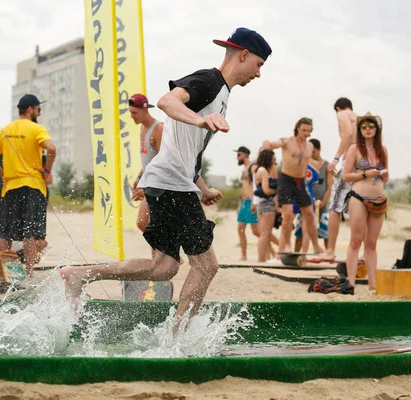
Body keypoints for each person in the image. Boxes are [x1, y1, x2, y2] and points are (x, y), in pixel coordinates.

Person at [61, 28, 272, 323]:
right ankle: (177, 339)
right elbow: (166, 101)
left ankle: (79, 275)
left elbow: (188, 151)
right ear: (245, 55)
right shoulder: (209, 81)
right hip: (171, 185)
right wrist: (200, 119)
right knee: (207, 266)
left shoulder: (222, 94)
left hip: (170, 182)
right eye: (259, 65)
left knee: (163, 268)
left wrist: (202, 187)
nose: (259, 73)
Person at [0, 94, 56, 293]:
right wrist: (47, 170)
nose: (39, 113)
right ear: (30, 110)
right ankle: (29, 275)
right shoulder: (36, 128)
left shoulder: (7, 129)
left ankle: (5, 277)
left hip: (10, 187)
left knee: (6, 235)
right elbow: (51, 148)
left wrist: (1, 173)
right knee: (29, 234)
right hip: (32, 187)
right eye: (38, 110)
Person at [342, 113, 388, 289]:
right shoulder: (354, 149)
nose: (367, 130)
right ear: (360, 130)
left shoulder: (382, 150)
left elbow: (386, 178)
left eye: (371, 127)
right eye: (364, 127)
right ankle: (351, 282)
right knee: (356, 240)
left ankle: (372, 284)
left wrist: (384, 176)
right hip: (359, 197)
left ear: (377, 130)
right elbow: (346, 176)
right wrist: (365, 174)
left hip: (378, 198)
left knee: (372, 243)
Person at [263, 117, 321, 254]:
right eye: (303, 130)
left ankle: (317, 246)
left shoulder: (310, 146)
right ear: (297, 129)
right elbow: (273, 144)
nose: (306, 133)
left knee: (310, 215)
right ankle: (287, 245)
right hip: (286, 179)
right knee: (288, 214)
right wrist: (267, 144)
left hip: (300, 182)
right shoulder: (287, 141)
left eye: (309, 130)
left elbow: (310, 162)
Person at [325, 98, 357, 260]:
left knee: (335, 207)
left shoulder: (342, 114)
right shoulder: (358, 117)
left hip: (349, 162)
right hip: (362, 161)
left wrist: (336, 159)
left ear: (337, 108)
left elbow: (348, 134)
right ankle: (357, 253)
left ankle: (330, 251)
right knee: (356, 207)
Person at [129, 93, 164, 235]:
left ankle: (171, 257)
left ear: (145, 110)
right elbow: (149, 160)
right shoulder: (142, 129)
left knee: (147, 223)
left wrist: (147, 188)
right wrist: (139, 178)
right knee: (146, 224)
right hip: (149, 182)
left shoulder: (159, 129)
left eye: (134, 112)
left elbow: (164, 162)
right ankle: (165, 257)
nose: (131, 116)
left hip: (161, 186)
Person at [235, 146, 259, 260]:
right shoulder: (244, 169)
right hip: (244, 202)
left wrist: (255, 202)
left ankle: (273, 251)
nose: (237, 157)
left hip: (252, 202)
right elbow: (244, 188)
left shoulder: (253, 168)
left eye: (238, 155)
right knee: (240, 229)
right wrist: (239, 204)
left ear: (245, 155)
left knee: (257, 232)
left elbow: (258, 185)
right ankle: (243, 256)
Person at [254, 149, 278, 261]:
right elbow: (266, 190)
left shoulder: (259, 170)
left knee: (263, 233)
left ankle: (262, 259)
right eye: (272, 159)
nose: (274, 161)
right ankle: (261, 259)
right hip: (267, 204)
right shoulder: (263, 172)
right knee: (265, 234)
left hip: (261, 204)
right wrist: (278, 190)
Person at [309, 138, 332, 249]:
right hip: (307, 202)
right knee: (302, 230)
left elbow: (329, 186)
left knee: (325, 230)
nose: (311, 154)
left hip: (322, 203)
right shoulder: (307, 165)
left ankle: (328, 252)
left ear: (319, 150)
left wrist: (323, 202)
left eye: (313, 151)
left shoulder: (327, 166)